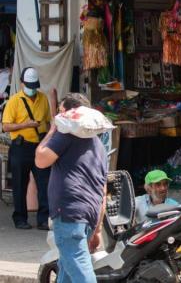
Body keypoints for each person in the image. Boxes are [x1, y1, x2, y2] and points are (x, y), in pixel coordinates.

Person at [35, 93, 108, 283]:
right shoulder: (99, 145)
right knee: (67, 271)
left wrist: (51, 131)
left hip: (69, 212)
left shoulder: (65, 135)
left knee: (79, 267)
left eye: (60, 112)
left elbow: (40, 160)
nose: (58, 117)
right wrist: (98, 228)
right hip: (89, 213)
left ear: (70, 114)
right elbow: (103, 189)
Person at [1, 67, 52, 230]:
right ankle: (20, 218)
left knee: (45, 183)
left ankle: (44, 219)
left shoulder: (43, 98)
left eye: (34, 86)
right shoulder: (14, 101)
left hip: (39, 146)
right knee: (19, 184)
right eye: (29, 86)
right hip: (20, 147)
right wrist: (26, 124)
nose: (32, 89)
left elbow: (48, 122)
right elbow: (6, 127)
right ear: (22, 84)